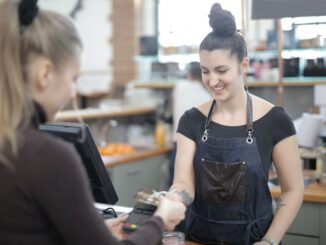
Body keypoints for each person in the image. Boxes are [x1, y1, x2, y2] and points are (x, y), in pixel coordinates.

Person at [0, 1, 185, 245]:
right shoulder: (49, 157)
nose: (72, 92)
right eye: (73, 78)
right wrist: (159, 219)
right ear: (44, 74)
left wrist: (93, 230)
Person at [167, 3, 304, 245]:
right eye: (205, 71)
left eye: (221, 70)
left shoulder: (276, 120)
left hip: (256, 239)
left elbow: (293, 191)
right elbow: (183, 183)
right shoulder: (191, 120)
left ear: (244, 65)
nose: (212, 81)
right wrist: (174, 200)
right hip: (199, 238)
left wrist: (270, 241)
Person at [168, 62, 211, 186]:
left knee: (177, 188)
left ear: (189, 75)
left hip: (179, 144)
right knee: (195, 189)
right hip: (201, 149)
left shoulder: (180, 87)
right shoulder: (208, 97)